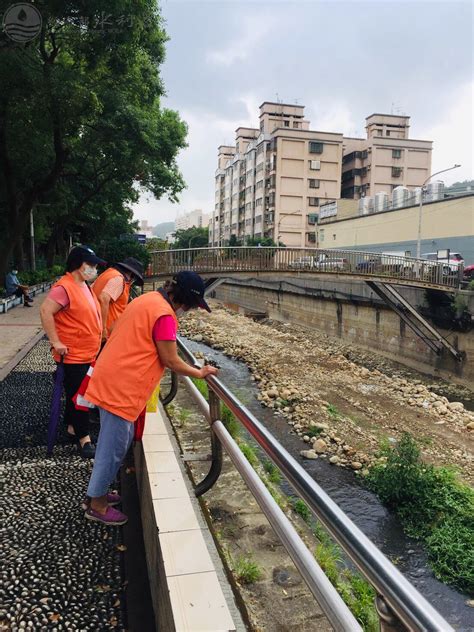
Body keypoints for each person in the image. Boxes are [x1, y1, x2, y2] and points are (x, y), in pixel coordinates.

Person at [83, 271, 218, 525]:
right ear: (186, 301)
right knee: (112, 449)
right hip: (121, 387)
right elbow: (170, 359)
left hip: (111, 376)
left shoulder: (146, 301)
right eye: (193, 306)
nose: (191, 311)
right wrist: (199, 372)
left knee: (110, 445)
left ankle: (97, 494)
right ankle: (97, 505)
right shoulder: (165, 315)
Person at [40, 245, 105, 458]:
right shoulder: (64, 287)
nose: (94, 268)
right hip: (73, 355)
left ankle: (71, 427)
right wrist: (55, 341)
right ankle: (84, 439)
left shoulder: (84, 285)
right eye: (91, 264)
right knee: (81, 397)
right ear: (78, 264)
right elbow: (45, 311)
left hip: (87, 353)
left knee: (76, 395)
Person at [92, 257, 144, 344]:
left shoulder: (107, 274)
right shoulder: (119, 279)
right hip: (104, 332)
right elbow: (104, 298)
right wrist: (103, 328)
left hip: (93, 325)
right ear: (132, 274)